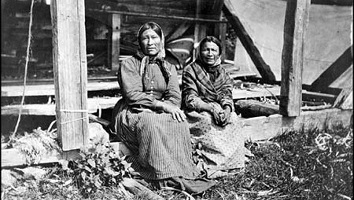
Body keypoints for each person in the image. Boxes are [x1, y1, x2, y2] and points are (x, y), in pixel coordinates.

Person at [109, 22, 215, 194]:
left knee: (179, 122)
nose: (150, 42)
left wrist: (168, 108)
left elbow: (174, 96)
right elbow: (133, 96)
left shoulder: (169, 67)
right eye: (145, 38)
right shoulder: (129, 64)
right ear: (140, 42)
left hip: (159, 110)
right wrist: (161, 106)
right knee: (150, 122)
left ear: (161, 40)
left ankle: (182, 173)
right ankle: (159, 175)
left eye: (154, 37)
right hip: (132, 111)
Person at [182, 36, 251, 178]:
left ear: (219, 54)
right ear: (200, 52)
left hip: (218, 107)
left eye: (213, 50)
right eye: (206, 49)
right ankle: (213, 165)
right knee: (207, 121)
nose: (210, 53)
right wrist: (210, 108)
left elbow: (226, 93)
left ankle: (233, 163)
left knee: (233, 119)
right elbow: (190, 98)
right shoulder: (191, 70)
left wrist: (226, 109)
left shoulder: (223, 72)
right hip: (198, 109)